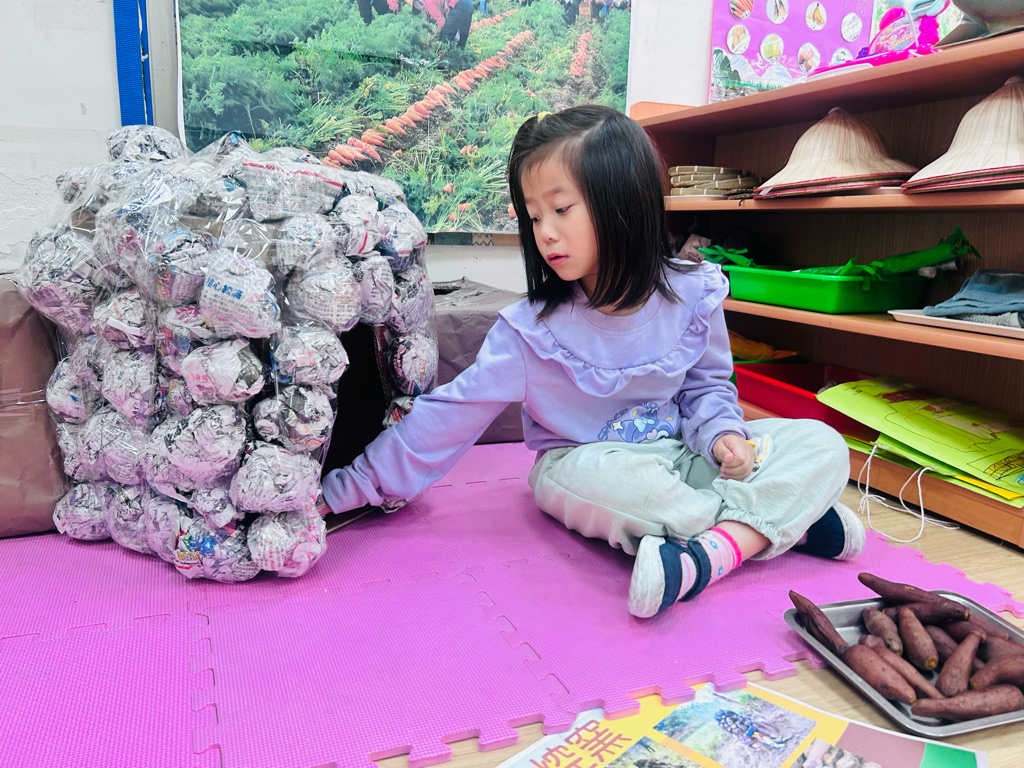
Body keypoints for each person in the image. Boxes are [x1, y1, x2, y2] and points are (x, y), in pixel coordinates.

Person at [322, 105, 863, 618]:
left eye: (561, 209)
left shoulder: (694, 292)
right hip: (587, 470)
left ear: (623, 201)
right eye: (534, 216)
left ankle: (709, 552)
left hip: (685, 454)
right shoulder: (529, 332)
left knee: (822, 443)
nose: (545, 232)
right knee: (623, 489)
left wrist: (724, 436)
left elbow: (707, 389)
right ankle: (775, 521)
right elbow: (446, 420)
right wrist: (343, 490)